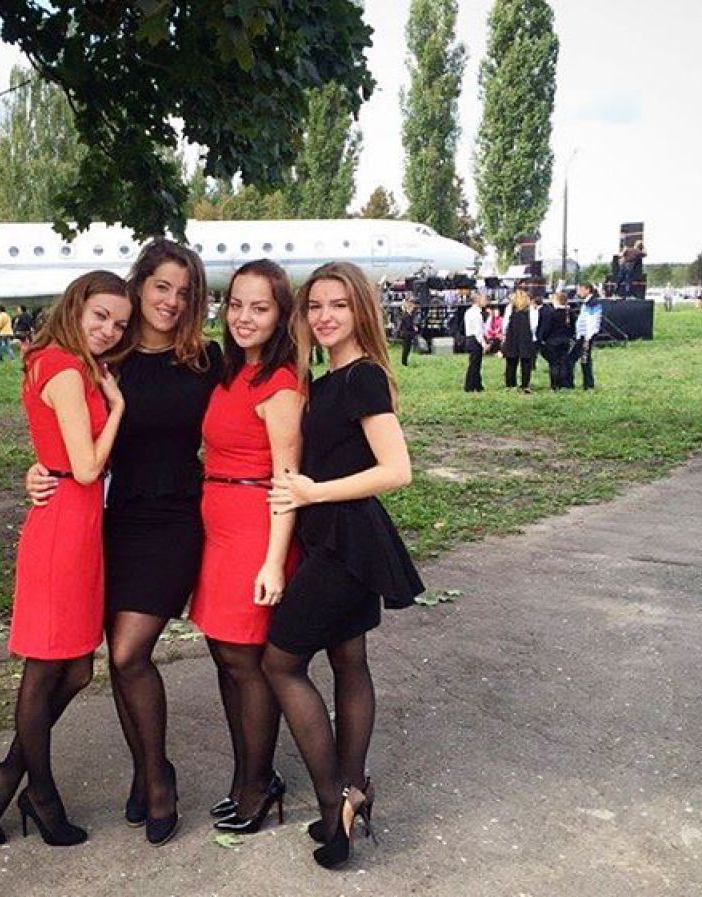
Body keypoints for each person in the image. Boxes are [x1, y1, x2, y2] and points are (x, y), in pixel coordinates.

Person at [26, 239, 220, 847]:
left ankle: (159, 778)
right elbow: (63, 431)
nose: (172, 300)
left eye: (184, 292)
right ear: (139, 286)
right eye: (162, 286)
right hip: (109, 520)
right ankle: (142, 771)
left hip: (175, 518)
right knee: (115, 659)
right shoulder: (106, 358)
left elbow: (259, 407)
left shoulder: (207, 359)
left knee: (131, 652)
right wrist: (37, 471)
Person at [0, 271, 133, 847]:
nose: (109, 330)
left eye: (120, 324)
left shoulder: (71, 362)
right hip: (64, 527)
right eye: (101, 316)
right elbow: (85, 467)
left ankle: (6, 774)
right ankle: (41, 793)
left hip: (79, 525)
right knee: (46, 670)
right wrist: (118, 408)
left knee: (78, 670)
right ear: (76, 306)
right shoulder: (63, 368)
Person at [264, 261, 424, 870]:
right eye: (314, 306)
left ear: (361, 311)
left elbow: (397, 470)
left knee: (281, 661)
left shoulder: (362, 378)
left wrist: (312, 492)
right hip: (341, 538)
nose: (325, 316)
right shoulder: (326, 379)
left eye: (338, 305)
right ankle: (354, 790)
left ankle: (335, 802)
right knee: (348, 660)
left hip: (346, 541)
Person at [189, 260, 303, 834]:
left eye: (260, 307)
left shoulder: (281, 383)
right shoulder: (232, 371)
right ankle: (245, 774)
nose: (243, 317)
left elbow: (288, 479)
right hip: (218, 527)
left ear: (281, 314)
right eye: (236, 304)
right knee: (224, 654)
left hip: (256, 529)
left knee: (245, 660)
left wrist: (274, 562)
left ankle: (259, 783)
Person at [501, 289, 538, 393]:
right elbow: (534, 325)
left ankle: (510, 384)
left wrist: (505, 333)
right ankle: (525, 385)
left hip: (512, 336)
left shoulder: (509, 308)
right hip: (525, 337)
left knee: (511, 362)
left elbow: (505, 323)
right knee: (526, 362)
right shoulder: (531, 309)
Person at [570, 283, 603, 390]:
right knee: (584, 359)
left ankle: (587, 384)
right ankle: (587, 383)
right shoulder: (587, 302)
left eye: (580, 290)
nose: (578, 292)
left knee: (582, 359)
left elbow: (591, 322)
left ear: (588, 290)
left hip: (586, 336)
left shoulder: (592, 303)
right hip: (583, 335)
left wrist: (588, 338)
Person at [539, 292, 575, 389]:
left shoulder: (551, 313)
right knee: (563, 363)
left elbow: (546, 328)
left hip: (552, 342)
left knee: (554, 364)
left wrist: (542, 338)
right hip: (565, 341)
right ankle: (564, 383)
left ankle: (555, 384)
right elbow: (573, 328)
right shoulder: (569, 313)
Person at [462, 292, 488, 392]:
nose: (485, 301)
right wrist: (483, 343)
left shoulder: (469, 311)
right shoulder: (477, 314)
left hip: (469, 338)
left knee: (475, 363)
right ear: (477, 300)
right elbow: (478, 331)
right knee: (474, 364)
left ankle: (477, 385)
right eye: (484, 299)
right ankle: (469, 386)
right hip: (475, 340)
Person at [396, 297, 419, 366]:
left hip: (408, 334)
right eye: (412, 307)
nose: (413, 308)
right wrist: (414, 328)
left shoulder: (409, 315)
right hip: (406, 334)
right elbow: (408, 325)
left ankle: (405, 362)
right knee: (406, 349)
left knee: (407, 349)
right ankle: (404, 362)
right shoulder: (406, 315)